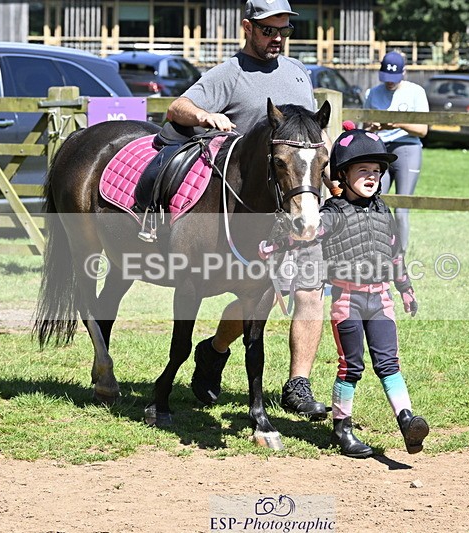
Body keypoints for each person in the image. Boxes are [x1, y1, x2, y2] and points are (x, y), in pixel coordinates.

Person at [166, 0, 328, 419]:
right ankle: (215, 350)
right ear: (248, 28)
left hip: (297, 203)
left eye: (283, 31)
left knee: (310, 290)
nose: (277, 38)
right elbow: (176, 108)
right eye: (268, 30)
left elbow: (308, 143)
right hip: (246, 214)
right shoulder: (229, 74)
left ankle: (298, 385)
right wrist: (206, 115)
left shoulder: (297, 73)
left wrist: (325, 185)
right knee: (256, 296)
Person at [263, 126, 429, 458]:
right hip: (348, 301)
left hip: (381, 300)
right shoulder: (332, 214)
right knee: (351, 366)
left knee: (389, 363)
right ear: (342, 174)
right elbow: (306, 235)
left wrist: (405, 288)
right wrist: (276, 243)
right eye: (363, 170)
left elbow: (395, 253)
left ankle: (407, 420)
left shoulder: (384, 211)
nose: (372, 176)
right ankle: (343, 428)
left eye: (377, 171)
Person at [363, 50, 429, 254]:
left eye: (394, 79)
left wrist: (396, 123)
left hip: (407, 148)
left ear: (404, 72)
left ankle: (400, 255)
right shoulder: (372, 93)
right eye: (386, 79)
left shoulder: (416, 92)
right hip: (380, 150)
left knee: (401, 208)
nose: (389, 83)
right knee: (374, 201)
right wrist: (373, 126)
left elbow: (423, 130)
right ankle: (376, 248)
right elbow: (364, 127)